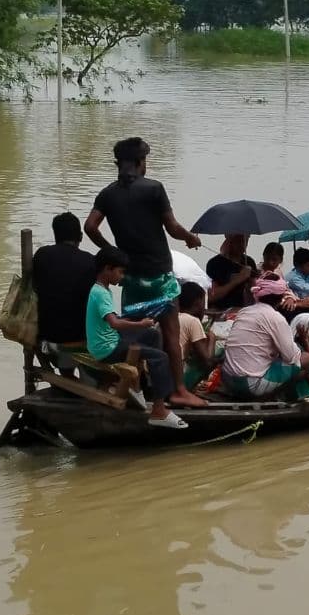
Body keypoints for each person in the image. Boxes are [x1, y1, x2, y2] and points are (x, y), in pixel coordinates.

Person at [83, 136, 206, 409]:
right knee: (171, 336)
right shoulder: (154, 189)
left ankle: (136, 388)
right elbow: (172, 227)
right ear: (140, 163)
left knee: (134, 336)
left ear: (119, 164)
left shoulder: (108, 194)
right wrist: (189, 238)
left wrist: (113, 252)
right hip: (161, 278)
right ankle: (178, 391)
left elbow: (90, 227)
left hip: (131, 278)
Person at [85, 247, 187, 429]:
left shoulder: (100, 289)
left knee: (152, 335)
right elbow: (114, 323)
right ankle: (159, 410)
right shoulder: (101, 294)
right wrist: (140, 324)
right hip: (107, 348)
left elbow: (113, 321)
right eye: (120, 272)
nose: (122, 277)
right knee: (160, 357)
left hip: (107, 341)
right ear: (108, 269)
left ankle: (138, 386)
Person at [221, 274, 309, 398]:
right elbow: (291, 357)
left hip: (228, 379)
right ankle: (271, 396)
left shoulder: (244, 311)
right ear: (281, 297)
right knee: (308, 359)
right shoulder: (276, 318)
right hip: (249, 385)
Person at [32, 212, 96, 377]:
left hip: (46, 339)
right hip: (80, 340)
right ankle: (84, 380)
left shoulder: (41, 255)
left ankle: (67, 377)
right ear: (81, 237)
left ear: (55, 236)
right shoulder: (90, 261)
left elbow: (35, 288)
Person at [177, 282, 215, 390]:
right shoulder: (192, 321)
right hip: (178, 379)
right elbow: (208, 362)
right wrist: (212, 339)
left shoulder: (171, 317)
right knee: (217, 354)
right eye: (204, 303)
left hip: (161, 378)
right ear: (198, 303)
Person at [206, 233, 258, 311]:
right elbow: (212, 296)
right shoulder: (215, 263)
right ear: (230, 240)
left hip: (241, 310)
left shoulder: (249, 262)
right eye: (238, 241)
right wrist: (238, 279)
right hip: (218, 311)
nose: (242, 245)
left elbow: (254, 290)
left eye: (245, 241)